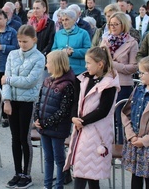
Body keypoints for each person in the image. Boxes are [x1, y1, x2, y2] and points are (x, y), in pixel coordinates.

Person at [64, 46, 120, 189]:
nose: (85, 66)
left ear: (100, 64)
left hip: (97, 132)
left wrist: (82, 121)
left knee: (89, 172)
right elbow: (76, 101)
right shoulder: (83, 79)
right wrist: (74, 117)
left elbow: (103, 110)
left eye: (88, 63)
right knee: (83, 170)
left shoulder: (109, 84)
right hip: (82, 128)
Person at [1, 24, 45, 188]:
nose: (22, 45)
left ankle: (27, 174)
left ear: (34, 40)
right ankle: (17, 172)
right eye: (19, 41)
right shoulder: (12, 54)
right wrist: (6, 100)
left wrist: (10, 80)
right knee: (14, 138)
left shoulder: (39, 57)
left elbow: (29, 81)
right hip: (12, 101)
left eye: (25, 42)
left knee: (24, 138)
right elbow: (5, 79)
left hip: (27, 102)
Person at [34, 50, 75, 189]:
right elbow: (39, 101)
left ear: (56, 64)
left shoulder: (67, 84)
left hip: (57, 129)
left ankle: (59, 186)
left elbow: (64, 111)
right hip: (44, 127)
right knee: (48, 158)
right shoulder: (47, 80)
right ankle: (47, 185)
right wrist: (36, 118)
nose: (46, 64)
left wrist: (45, 122)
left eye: (48, 62)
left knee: (59, 159)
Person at [121, 56, 149, 189]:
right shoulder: (138, 89)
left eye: (142, 73)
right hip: (134, 140)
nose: (139, 75)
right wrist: (131, 135)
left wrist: (144, 140)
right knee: (135, 176)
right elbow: (125, 113)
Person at [100, 12, 138, 144]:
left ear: (123, 25)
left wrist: (113, 64)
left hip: (123, 84)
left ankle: (121, 149)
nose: (113, 27)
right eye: (111, 24)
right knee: (106, 118)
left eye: (116, 24)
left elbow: (134, 67)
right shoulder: (105, 40)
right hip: (106, 82)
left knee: (120, 120)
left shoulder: (132, 42)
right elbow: (99, 60)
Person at [52, 9, 91, 75]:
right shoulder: (58, 34)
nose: (64, 22)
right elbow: (53, 50)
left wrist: (73, 52)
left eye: (67, 19)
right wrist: (62, 51)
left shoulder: (83, 33)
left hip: (79, 70)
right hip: (61, 70)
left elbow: (88, 51)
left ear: (74, 20)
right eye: (63, 20)